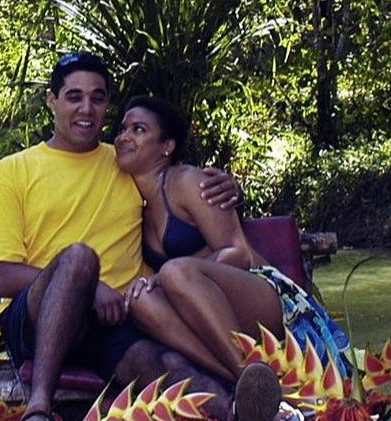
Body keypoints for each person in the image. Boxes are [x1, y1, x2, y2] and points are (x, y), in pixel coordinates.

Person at [0, 53, 280, 421]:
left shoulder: (125, 163)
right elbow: (4, 277)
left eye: (98, 99)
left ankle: (242, 420)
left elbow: (178, 185)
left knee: (169, 364)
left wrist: (225, 187)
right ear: (52, 100)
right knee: (79, 259)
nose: (86, 109)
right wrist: (90, 286)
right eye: (74, 97)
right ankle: (39, 410)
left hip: (117, 321)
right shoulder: (12, 172)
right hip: (38, 316)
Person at [115, 96, 353, 384]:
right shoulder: (132, 199)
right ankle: (242, 381)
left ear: (167, 146)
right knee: (141, 301)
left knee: (175, 271)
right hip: (208, 313)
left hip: (263, 294)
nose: (124, 137)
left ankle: (248, 374)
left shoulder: (188, 181)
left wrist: (173, 274)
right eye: (123, 129)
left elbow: (238, 253)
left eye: (138, 130)